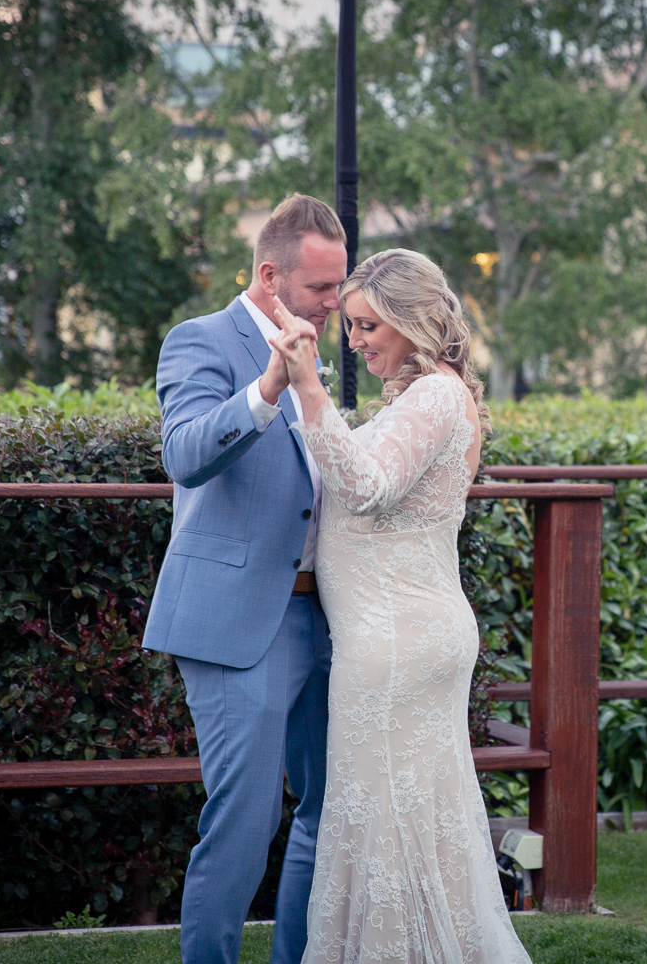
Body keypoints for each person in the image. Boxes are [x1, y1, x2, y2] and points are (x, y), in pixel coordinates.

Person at [267, 249, 532, 964]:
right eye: (349, 325)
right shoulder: (427, 396)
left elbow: (368, 488)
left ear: (412, 319)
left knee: (384, 823)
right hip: (398, 634)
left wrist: (309, 387)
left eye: (367, 325)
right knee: (404, 822)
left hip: (397, 642)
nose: (354, 341)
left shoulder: (437, 397)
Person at [143, 194, 348, 964]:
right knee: (245, 821)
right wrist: (268, 387)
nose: (335, 302)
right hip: (239, 623)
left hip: (327, 618)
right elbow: (186, 455)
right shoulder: (198, 340)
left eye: (338, 285)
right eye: (320, 287)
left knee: (333, 811)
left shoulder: (320, 350)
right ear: (269, 276)